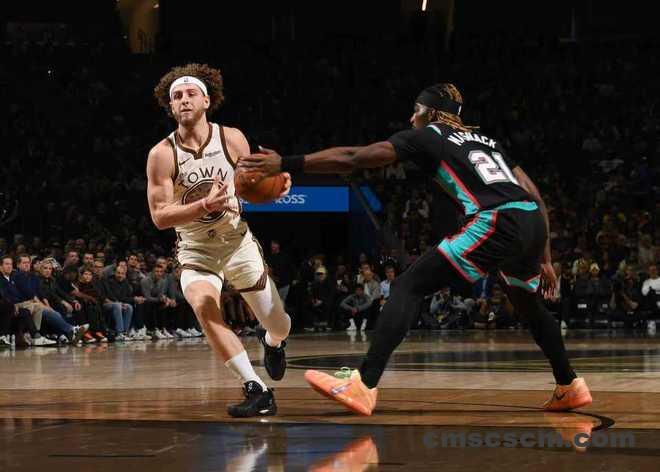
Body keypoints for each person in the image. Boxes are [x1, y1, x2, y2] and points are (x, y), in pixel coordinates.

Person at [240, 82, 591, 415]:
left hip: (498, 219)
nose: (411, 117)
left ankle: (364, 384)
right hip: (530, 221)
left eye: (416, 110)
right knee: (528, 305)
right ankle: (569, 385)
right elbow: (534, 193)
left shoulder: (429, 134)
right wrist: (546, 258)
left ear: (432, 113)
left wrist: (286, 163)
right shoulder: (488, 141)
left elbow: (353, 157)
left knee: (408, 286)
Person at [146, 63, 292, 417]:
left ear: (207, 100)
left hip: (237, 242)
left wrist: (276, 186)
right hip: (195, 249)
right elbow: (160, 216)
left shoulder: (232, 138)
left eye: (190, 93)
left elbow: (254, 182)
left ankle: (272, 341)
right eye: (176, 96)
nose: (183, 100)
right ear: (170, 106)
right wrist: (203, 205)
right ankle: (255, 388)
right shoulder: (162, 154)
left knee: (278, 322)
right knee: (203, 307)